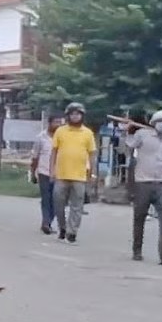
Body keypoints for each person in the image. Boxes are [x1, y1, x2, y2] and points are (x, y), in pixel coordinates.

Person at [123, 110, 162, 265]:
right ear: (153, 123)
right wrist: (128, 130)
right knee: (139, 218)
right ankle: (137, 250)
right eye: (160, 121)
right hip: (143, 183)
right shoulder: (143, 135)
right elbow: (129, 145)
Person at [50, 102, 97, 244]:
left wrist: (92, 174)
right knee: (58, 203)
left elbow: (92, 154)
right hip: (61, 175)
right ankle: (62, 228)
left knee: (77, 206)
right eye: (72, 114)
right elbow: (54, 152)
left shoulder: (88, 133)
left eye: (78, 114)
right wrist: (52, 170)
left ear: (82, 116)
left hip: (80, 176)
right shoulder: (60, 131)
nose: (75, 116)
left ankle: (72, 232)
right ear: (68, 116)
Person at [30, 116, 64, 235]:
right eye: (56, 122)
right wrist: (33, 172)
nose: (58, 124)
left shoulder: (63, 138)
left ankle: (48, 221)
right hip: (44, 172)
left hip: (60, 173)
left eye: (60, 122)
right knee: (46, 198)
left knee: (57, 199)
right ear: (49, 123)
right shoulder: (41, 138)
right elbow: (35, 157)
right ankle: (46, 223)